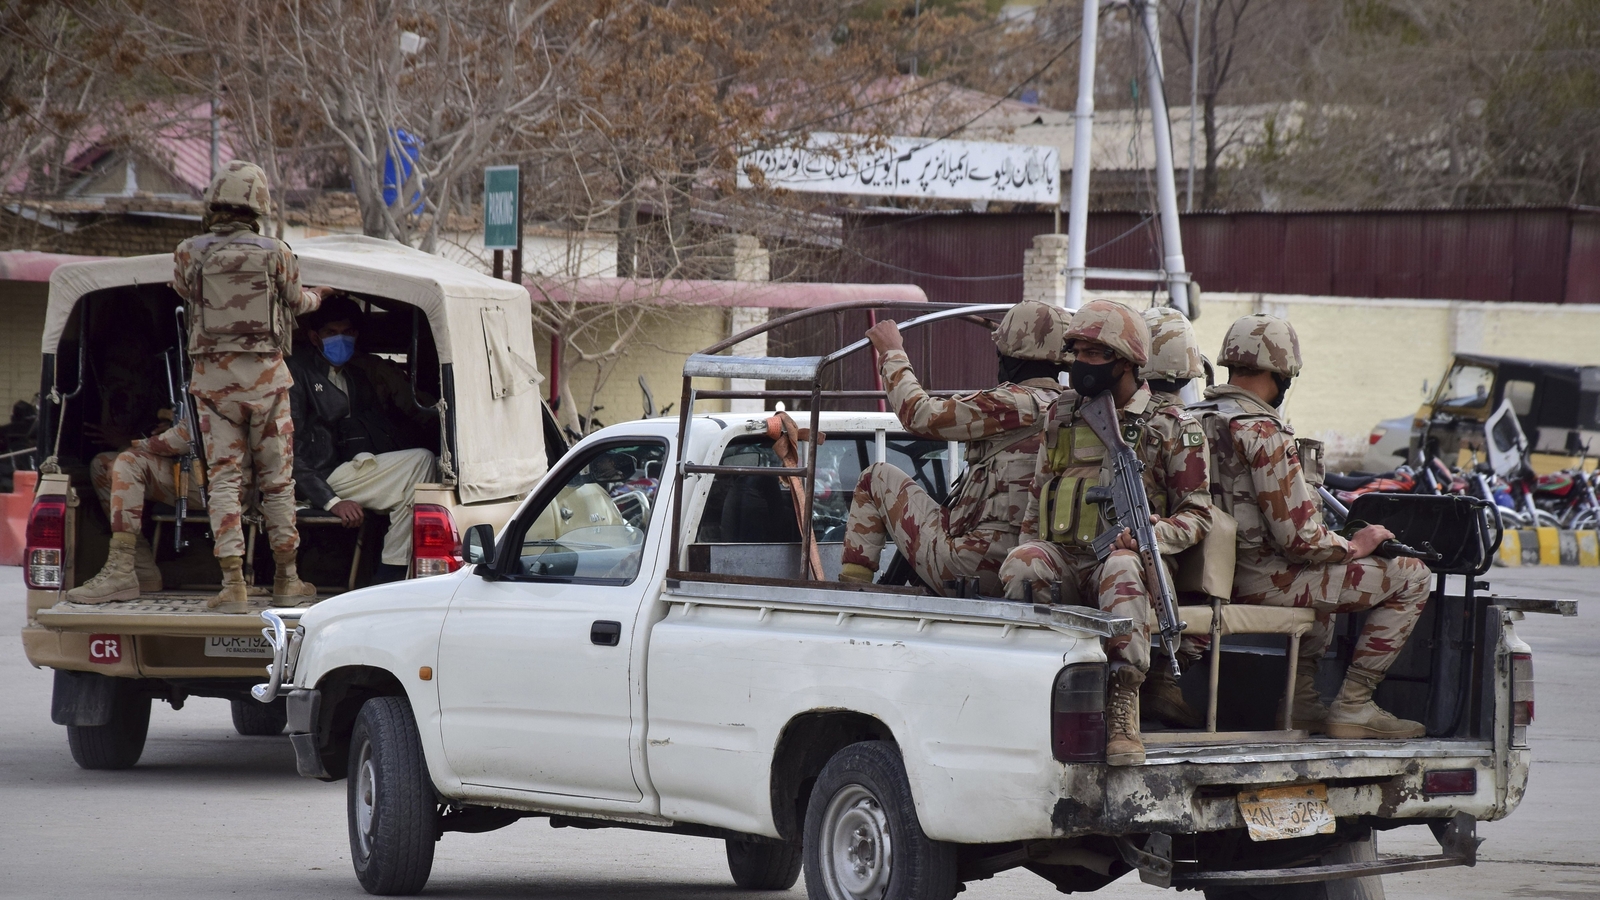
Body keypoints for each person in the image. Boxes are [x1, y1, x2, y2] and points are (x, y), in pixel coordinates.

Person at [1191, 314, 1431, 740]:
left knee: (1322, 578)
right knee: (1412, 576)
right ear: (1280, 372)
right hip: (1257, 580)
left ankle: (1301, 703)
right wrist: (1358, 544)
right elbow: (1301, 540)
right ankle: (1354, 705)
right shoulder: (1261, 430)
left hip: (1199, 579)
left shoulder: (1186, 418)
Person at [999, 300, 1212, 766]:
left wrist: (1155, 533)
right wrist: (1029, 545)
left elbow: (1199, 515)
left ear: (1127, 361)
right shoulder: (1061, 415)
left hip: (1130, 563)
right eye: (1076, 352)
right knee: (1023, 560)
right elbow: (1038, 502)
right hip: (1067, 557)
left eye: (1095, 355)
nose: (1082, 365)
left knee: (1120, 566)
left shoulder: (1171, 426)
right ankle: (1035, 693)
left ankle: (1122, 707)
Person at [173, 159, 326, 613]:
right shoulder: (276, 252)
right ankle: (287, 579)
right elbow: (298, 303)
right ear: (258, 204)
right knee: (278, 484)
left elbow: (183, 292)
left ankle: (233, 585)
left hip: (213, 387)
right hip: (267, 385)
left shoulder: (189, 251)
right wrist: (323, 297)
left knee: (223, 482)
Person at [838, 300, 1071, 594]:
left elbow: (918, 413)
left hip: (977, 566)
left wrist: (891, 352)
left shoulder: (1012, 402)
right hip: (1044, 564)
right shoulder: (1071, 409)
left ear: (1012, 354)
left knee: (876, 478)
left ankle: (852, 597)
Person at [287, 295, 437, 583]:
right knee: (421, 463)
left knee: (420, 480)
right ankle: (390, 577)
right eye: (332, 333)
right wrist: (330, 501)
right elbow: (286, 451)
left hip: (349, 465)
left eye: (347, 332)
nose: (340, 339)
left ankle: (390, 573)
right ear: (314, 337)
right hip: (315, 477)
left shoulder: (355, 377)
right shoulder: (297, 373)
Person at [66, 419, 199, 603]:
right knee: (104, 463)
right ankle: (141, 569)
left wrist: (133, 446)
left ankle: (121, 572)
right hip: (193, 472)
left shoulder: (218, 390)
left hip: (223, 482)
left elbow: (182, 438)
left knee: (127, 461)